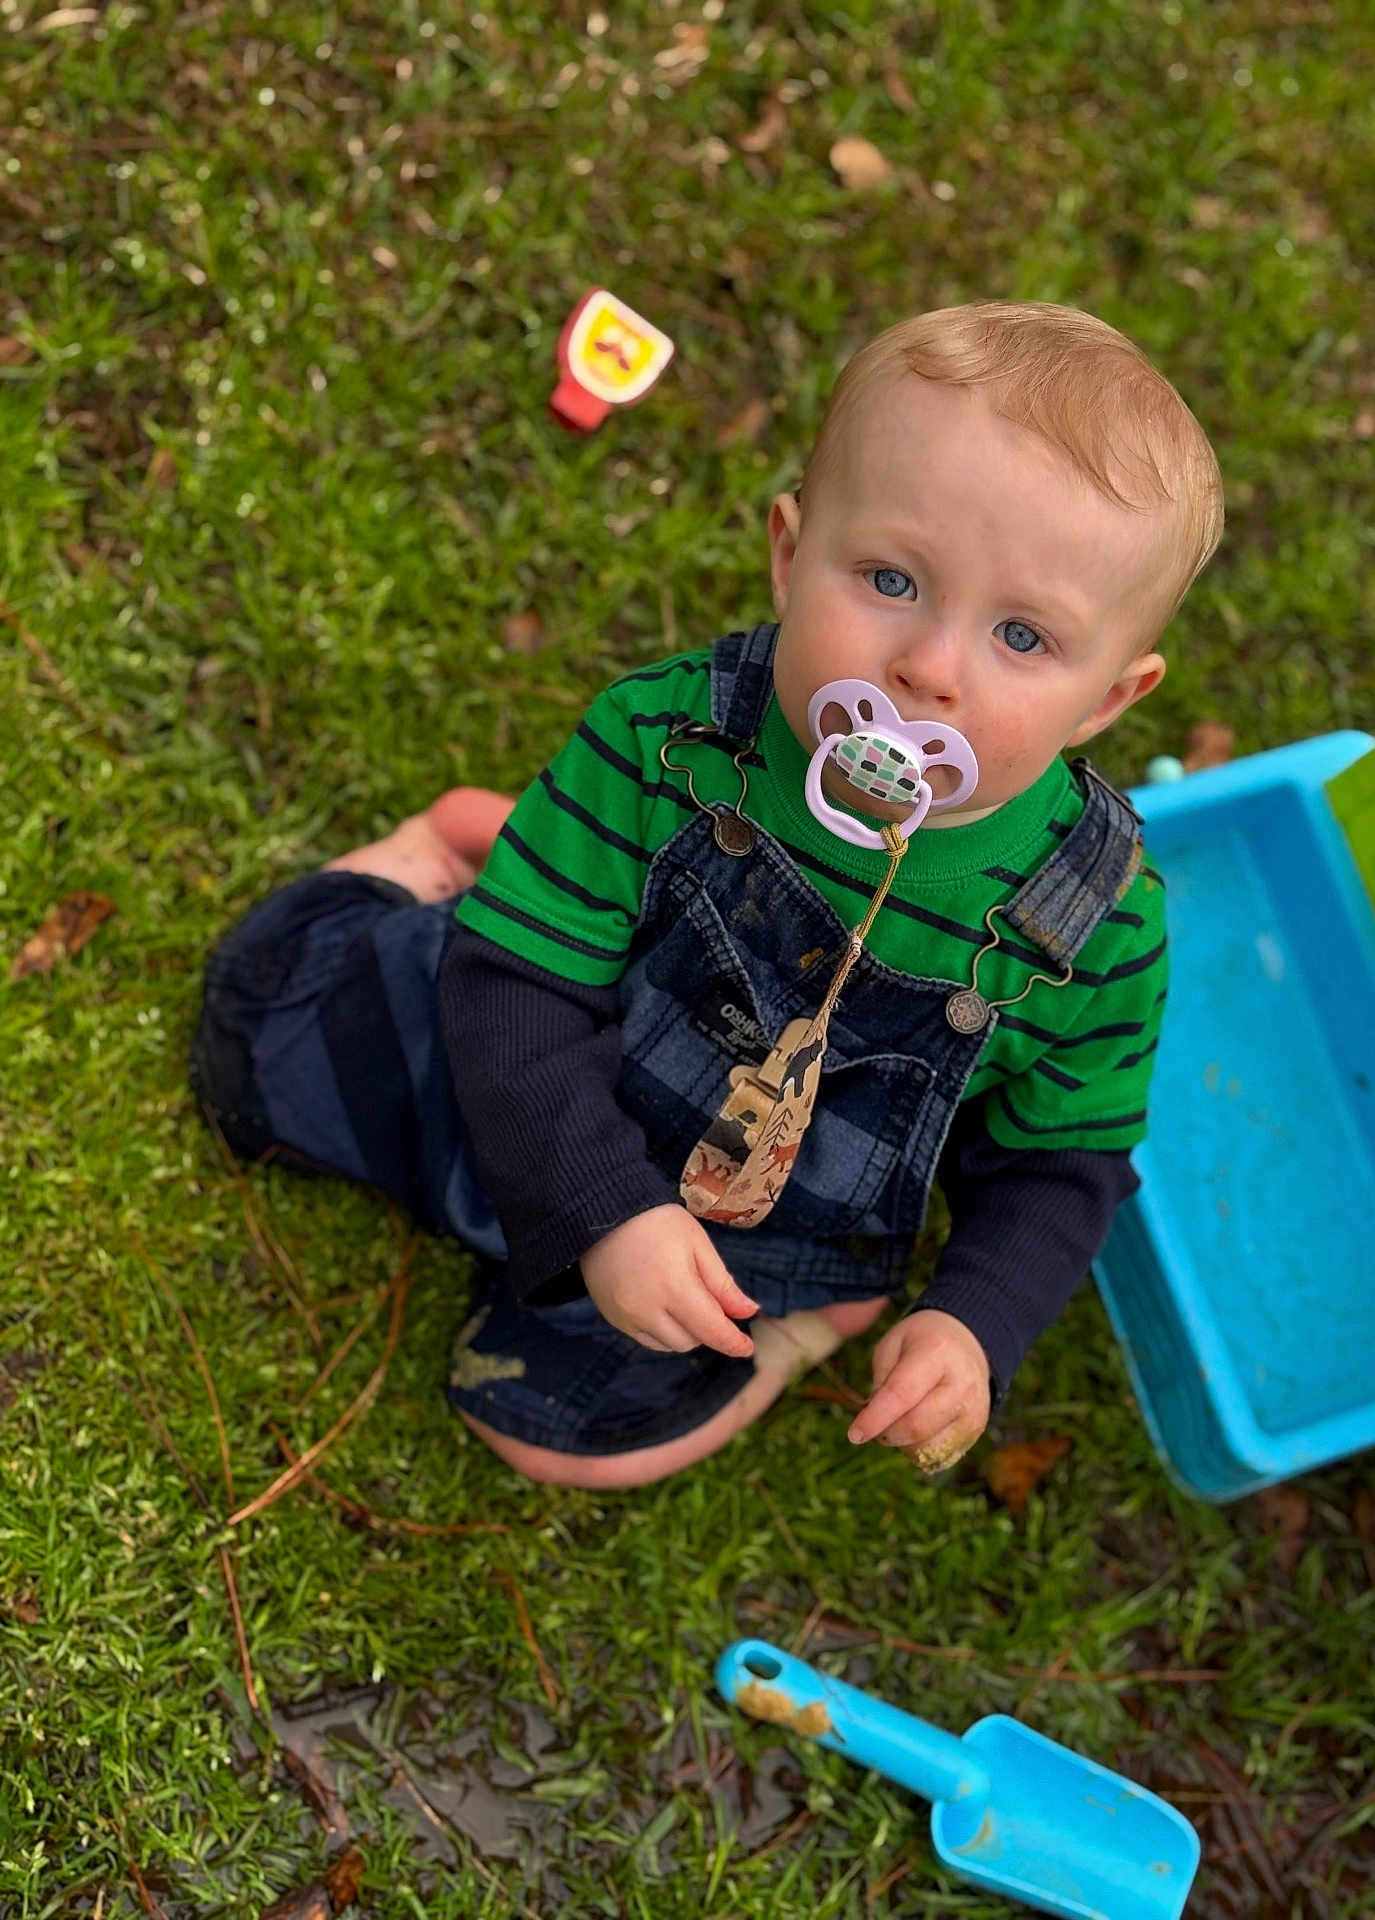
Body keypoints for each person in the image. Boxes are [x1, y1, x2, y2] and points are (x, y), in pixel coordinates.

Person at [192, 301, 1224, 1493]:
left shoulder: (1090, 931)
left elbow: (1061, 1164)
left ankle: (796, 1331)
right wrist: (606, 1208)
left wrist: (975, 1323)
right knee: (258, 1031)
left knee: (547, 1434)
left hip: (757, 1242)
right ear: (791, 553)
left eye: (1023, 637)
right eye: (890, 578)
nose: (929, 668)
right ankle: (463, 847)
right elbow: (514, 989)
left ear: (1108, 699)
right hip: (539, 1075)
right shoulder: (672, 742)